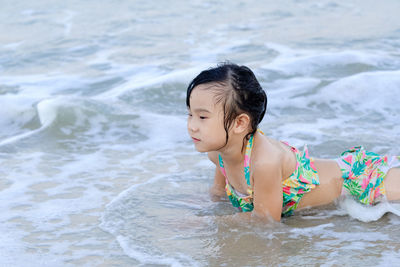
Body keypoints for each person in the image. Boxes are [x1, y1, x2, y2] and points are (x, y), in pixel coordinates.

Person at [186, 62, 400, 222]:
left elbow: (265, 220)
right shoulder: (218, 154)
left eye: (202, 117)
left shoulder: (263, 163)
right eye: (190, 114)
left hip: (357, 180)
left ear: (240, 123)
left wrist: (207, 222)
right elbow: (218, 193)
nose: (192, 125)